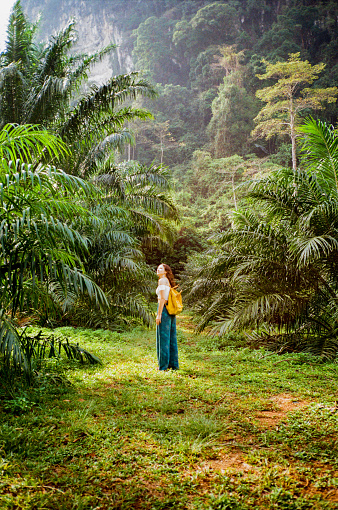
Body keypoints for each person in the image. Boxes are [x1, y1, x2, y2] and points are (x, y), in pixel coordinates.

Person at [156, 263, 179, 371]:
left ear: (165, 271)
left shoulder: (162, 281)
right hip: (171, 311)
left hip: (164, 309)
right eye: (158, 268)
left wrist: (159, 314)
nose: (158, 269)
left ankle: (163, 366)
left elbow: (162, 299)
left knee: (163, 338)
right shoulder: (168, 281)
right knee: (171, 338)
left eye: (160, 268)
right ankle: (173, 365)